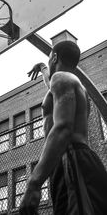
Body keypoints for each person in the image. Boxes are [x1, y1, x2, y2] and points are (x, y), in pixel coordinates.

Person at [19, 41, 107, 215]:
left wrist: (33, 184)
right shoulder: (67, 82)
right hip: (72, 161)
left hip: (72, 158)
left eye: (49, 57)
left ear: (55, 57)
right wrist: (44, 67)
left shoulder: (62, 79)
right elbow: (51, 86)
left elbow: (63, 127)